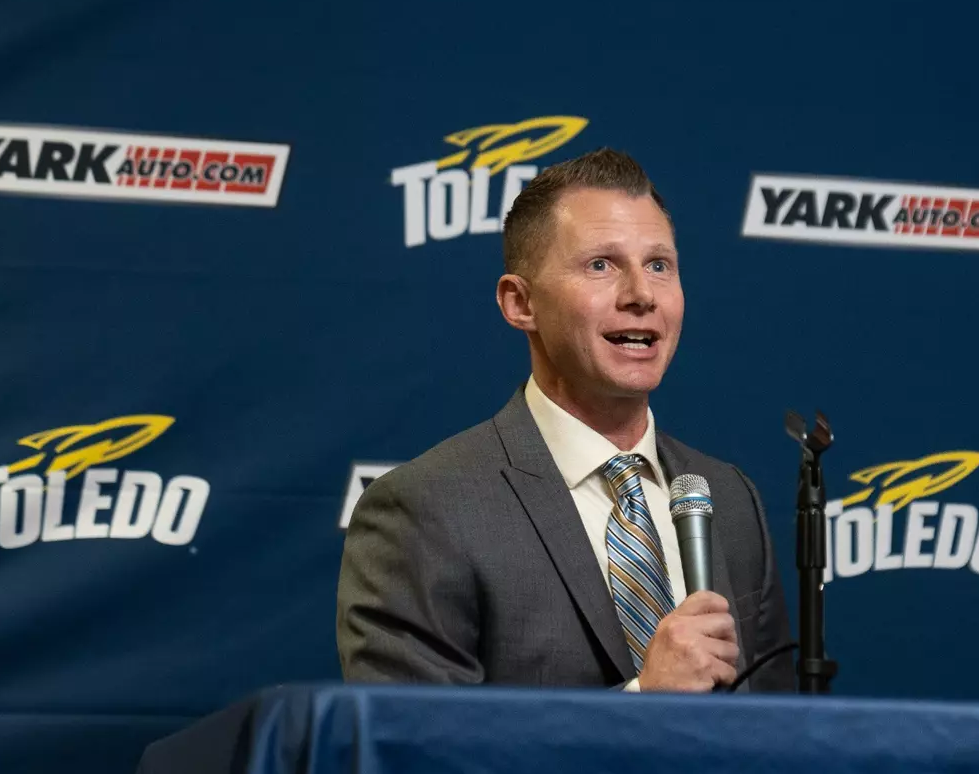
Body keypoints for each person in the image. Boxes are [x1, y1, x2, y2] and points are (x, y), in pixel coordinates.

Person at [336, 148, 795, 693]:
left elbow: (778, 738)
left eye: (658, 265)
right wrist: (644, 701)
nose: (641, 295)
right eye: (601, 265)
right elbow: (417, 757)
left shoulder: (729, 497)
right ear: (519, 303)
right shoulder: (425, 510)